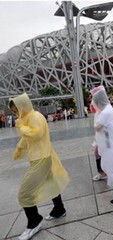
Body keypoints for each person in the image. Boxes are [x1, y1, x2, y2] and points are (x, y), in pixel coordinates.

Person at [9, 93, 69, 240]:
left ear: (23, 106)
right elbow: (26, 138)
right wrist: (19, 149)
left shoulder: (35, 116)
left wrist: (21, 127)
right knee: (51, 183)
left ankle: (34, 221)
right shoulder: (28, 117)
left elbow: (36, 134)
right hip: (41, 156)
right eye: (14, 111)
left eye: (16, 109)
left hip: (41, 159)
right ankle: (59, 209)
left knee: (24, 194)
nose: (16, 113)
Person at [89, 86, 107, 181]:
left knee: (102, 153)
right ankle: (102, 172)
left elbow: (100, 126)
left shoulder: (104, 111)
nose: (92, 105)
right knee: (97, 152)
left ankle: (105, 172)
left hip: (105, 137)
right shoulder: (99, 111)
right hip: (100, 136)